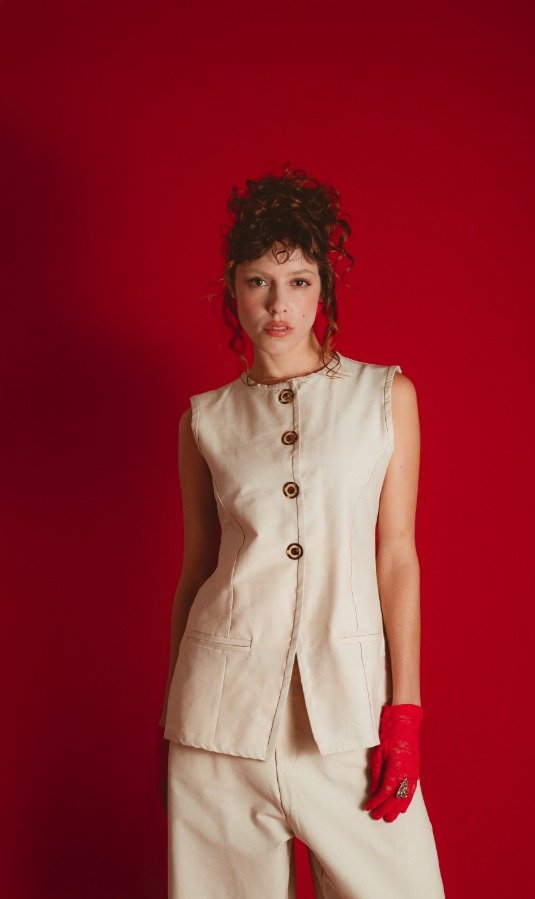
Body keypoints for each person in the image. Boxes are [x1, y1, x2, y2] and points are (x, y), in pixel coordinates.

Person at [157, 165, 446, 898]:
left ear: (324, 288)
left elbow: (398, 557)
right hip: (217, 726)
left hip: (347, 719)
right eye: (258, 281)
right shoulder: (204, 420)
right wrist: (170, 718)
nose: (278, 303)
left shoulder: (384, 396)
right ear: (233, 288)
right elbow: (196, 571)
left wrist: (405, 713)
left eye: (298, 281)